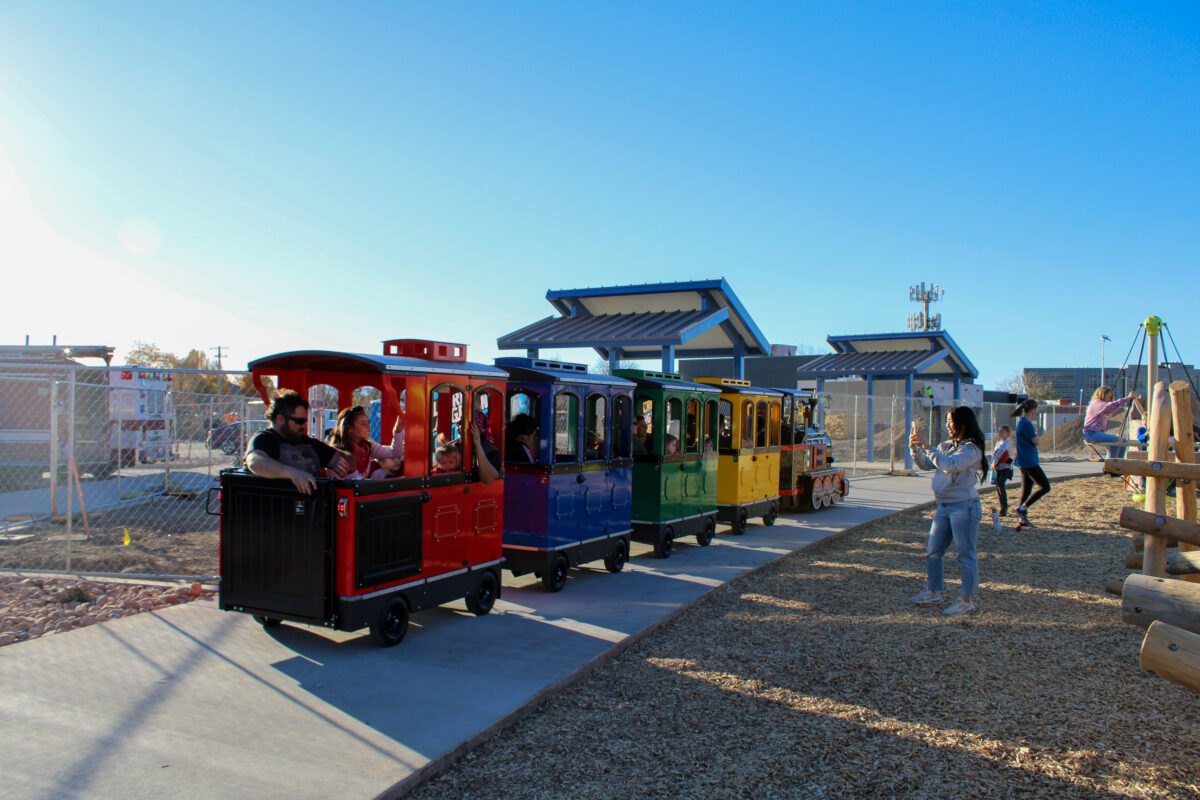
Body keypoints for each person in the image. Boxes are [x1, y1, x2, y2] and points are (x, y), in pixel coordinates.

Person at [908, 405, 988, 616]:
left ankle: (966, 600)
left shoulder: (971, 449)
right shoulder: (946, 446)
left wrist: (928, 446)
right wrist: (915, 449)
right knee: (933, 551)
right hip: (944, 506)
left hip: (964, 507)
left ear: (963, 423)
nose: (948, 425)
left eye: (951, 422)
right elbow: (927, 464)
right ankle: (933, 591)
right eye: (947, 422)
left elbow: (950, 465)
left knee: (965, 554)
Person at [245, 390, 351, 494]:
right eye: (299, 421)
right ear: (280, 419)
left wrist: (343, 463)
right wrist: (291, 473)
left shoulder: (308, 443)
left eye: (305, 421)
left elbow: (348, 459)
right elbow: (254, 462)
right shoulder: (264, 439)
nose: (304, 426)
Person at [326, 405, 404, 479]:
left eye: (367, 423)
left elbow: (395, 452)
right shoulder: (338, 454)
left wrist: (397, 430)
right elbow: (338, 484)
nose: (368, 427)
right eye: (363, 424)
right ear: (349, 428)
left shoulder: (367, 447)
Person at [1013, 399, 1050, 531]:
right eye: (1037, 409)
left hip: (1024, 460)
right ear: (1033, 410)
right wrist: (1038, 439)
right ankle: (1023, 508)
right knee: (1045, 486)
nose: (1037, 411)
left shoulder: (1022, 422)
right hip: (1029, 461)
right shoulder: (1026, 424)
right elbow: (1035, 441)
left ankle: (1022, 519)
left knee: (1027, 489)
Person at [1083, 387, 1141, 459]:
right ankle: (1112, 461)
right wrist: (1127, 398)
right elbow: (1110, 406)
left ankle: (1119, 461)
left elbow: (1110, 408)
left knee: (1123, 442)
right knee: (1115, 440)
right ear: (1102, 395)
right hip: (1091, 433)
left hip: (1094, 433)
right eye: (1108, 397)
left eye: (1110, 398)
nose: (1109, 399)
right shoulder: (1097, 403)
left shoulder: (1097, 404)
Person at [991, 425, 1015, 517]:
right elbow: (994, 454)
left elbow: (1000, 452)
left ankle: (1004, 507)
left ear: (1007, 433)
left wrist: (994, 462)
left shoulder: (1007, 443)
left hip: (1005, 468)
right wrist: (993, 463)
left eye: (1002, 431)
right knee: (998, 487)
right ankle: (1002, 506)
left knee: (1001, 485)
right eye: (999, 431)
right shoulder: (997, 443)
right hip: (998, 468)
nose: (1000, 433)